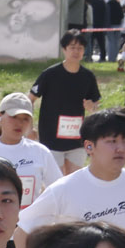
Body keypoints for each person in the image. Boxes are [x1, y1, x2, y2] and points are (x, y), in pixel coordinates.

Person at [15, 109, 125, 248]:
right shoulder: (64, 188)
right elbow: (23, 232)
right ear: (89, 147)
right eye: (112, 141)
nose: (120, 148)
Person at [0, 93, 61, 214]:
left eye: (25, 119)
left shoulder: (41, 152)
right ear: (0, 116)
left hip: (28, 227)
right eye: (14, 117)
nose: (19, 123)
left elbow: (59, 189)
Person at [30, 31, 102, 174]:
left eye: (80, 48)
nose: (76, 51)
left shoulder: (88, 76)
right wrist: (29, 128)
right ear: (64, 49)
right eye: (72, 47)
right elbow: (29, 99)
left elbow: (95, 104)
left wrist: (91, 107)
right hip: (51, 137)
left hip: (76, 138)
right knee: (55, 180)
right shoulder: (50, 74)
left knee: (73, 178)